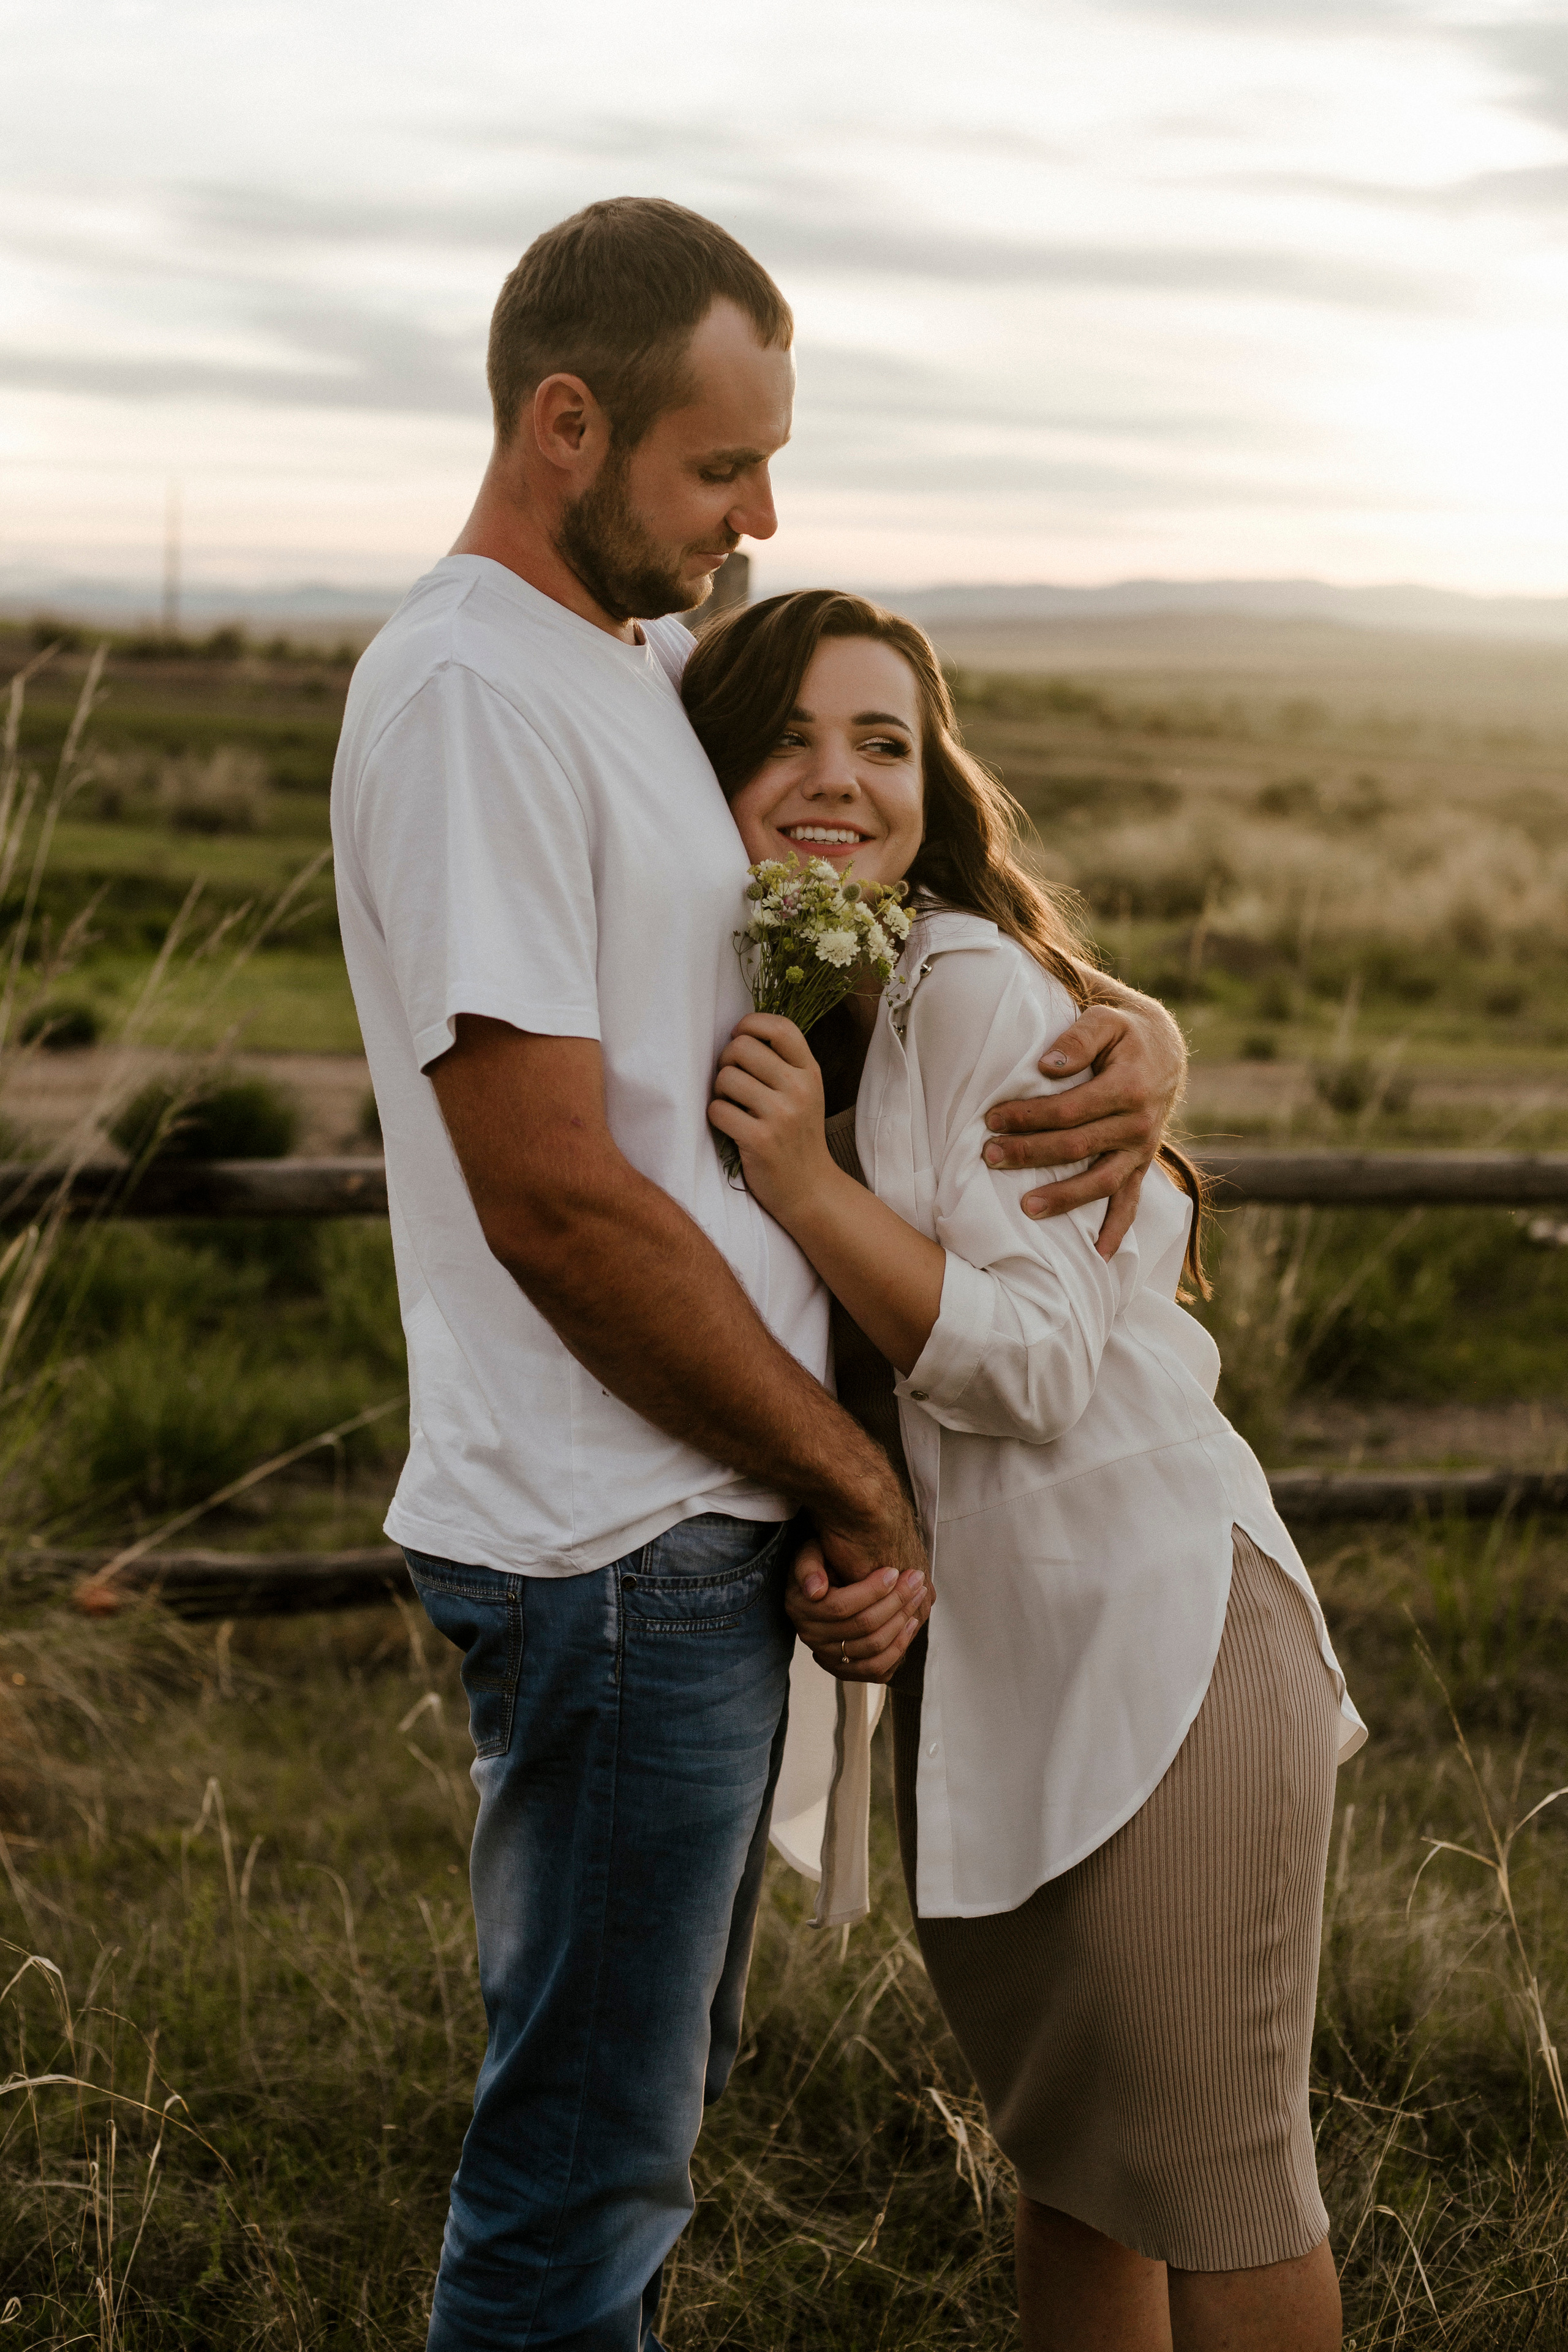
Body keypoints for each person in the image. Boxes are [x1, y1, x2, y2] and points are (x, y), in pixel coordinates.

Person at [331, 199, 1188, 2351]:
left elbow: (861, 924)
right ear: (563, 423)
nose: (760, 514)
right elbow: (557, 1201)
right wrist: (858, 1481)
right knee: (582, 2185)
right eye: (720, 468)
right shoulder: (466, 697)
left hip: (692, 1522)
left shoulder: (619, 669)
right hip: (612, 1544)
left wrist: (1136, 1032)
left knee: (645, 2128)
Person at [688, 589, 1367, 2352]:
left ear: (937, 783)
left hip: (1159, 1659)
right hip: (1004, 1680)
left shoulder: (959, 987)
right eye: (788, 736)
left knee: (1220, 2187)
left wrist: (807, 1183)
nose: (838, 778)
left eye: (887, 742)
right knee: (1077, 2174)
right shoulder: (801, 993)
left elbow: (1044, 1360)